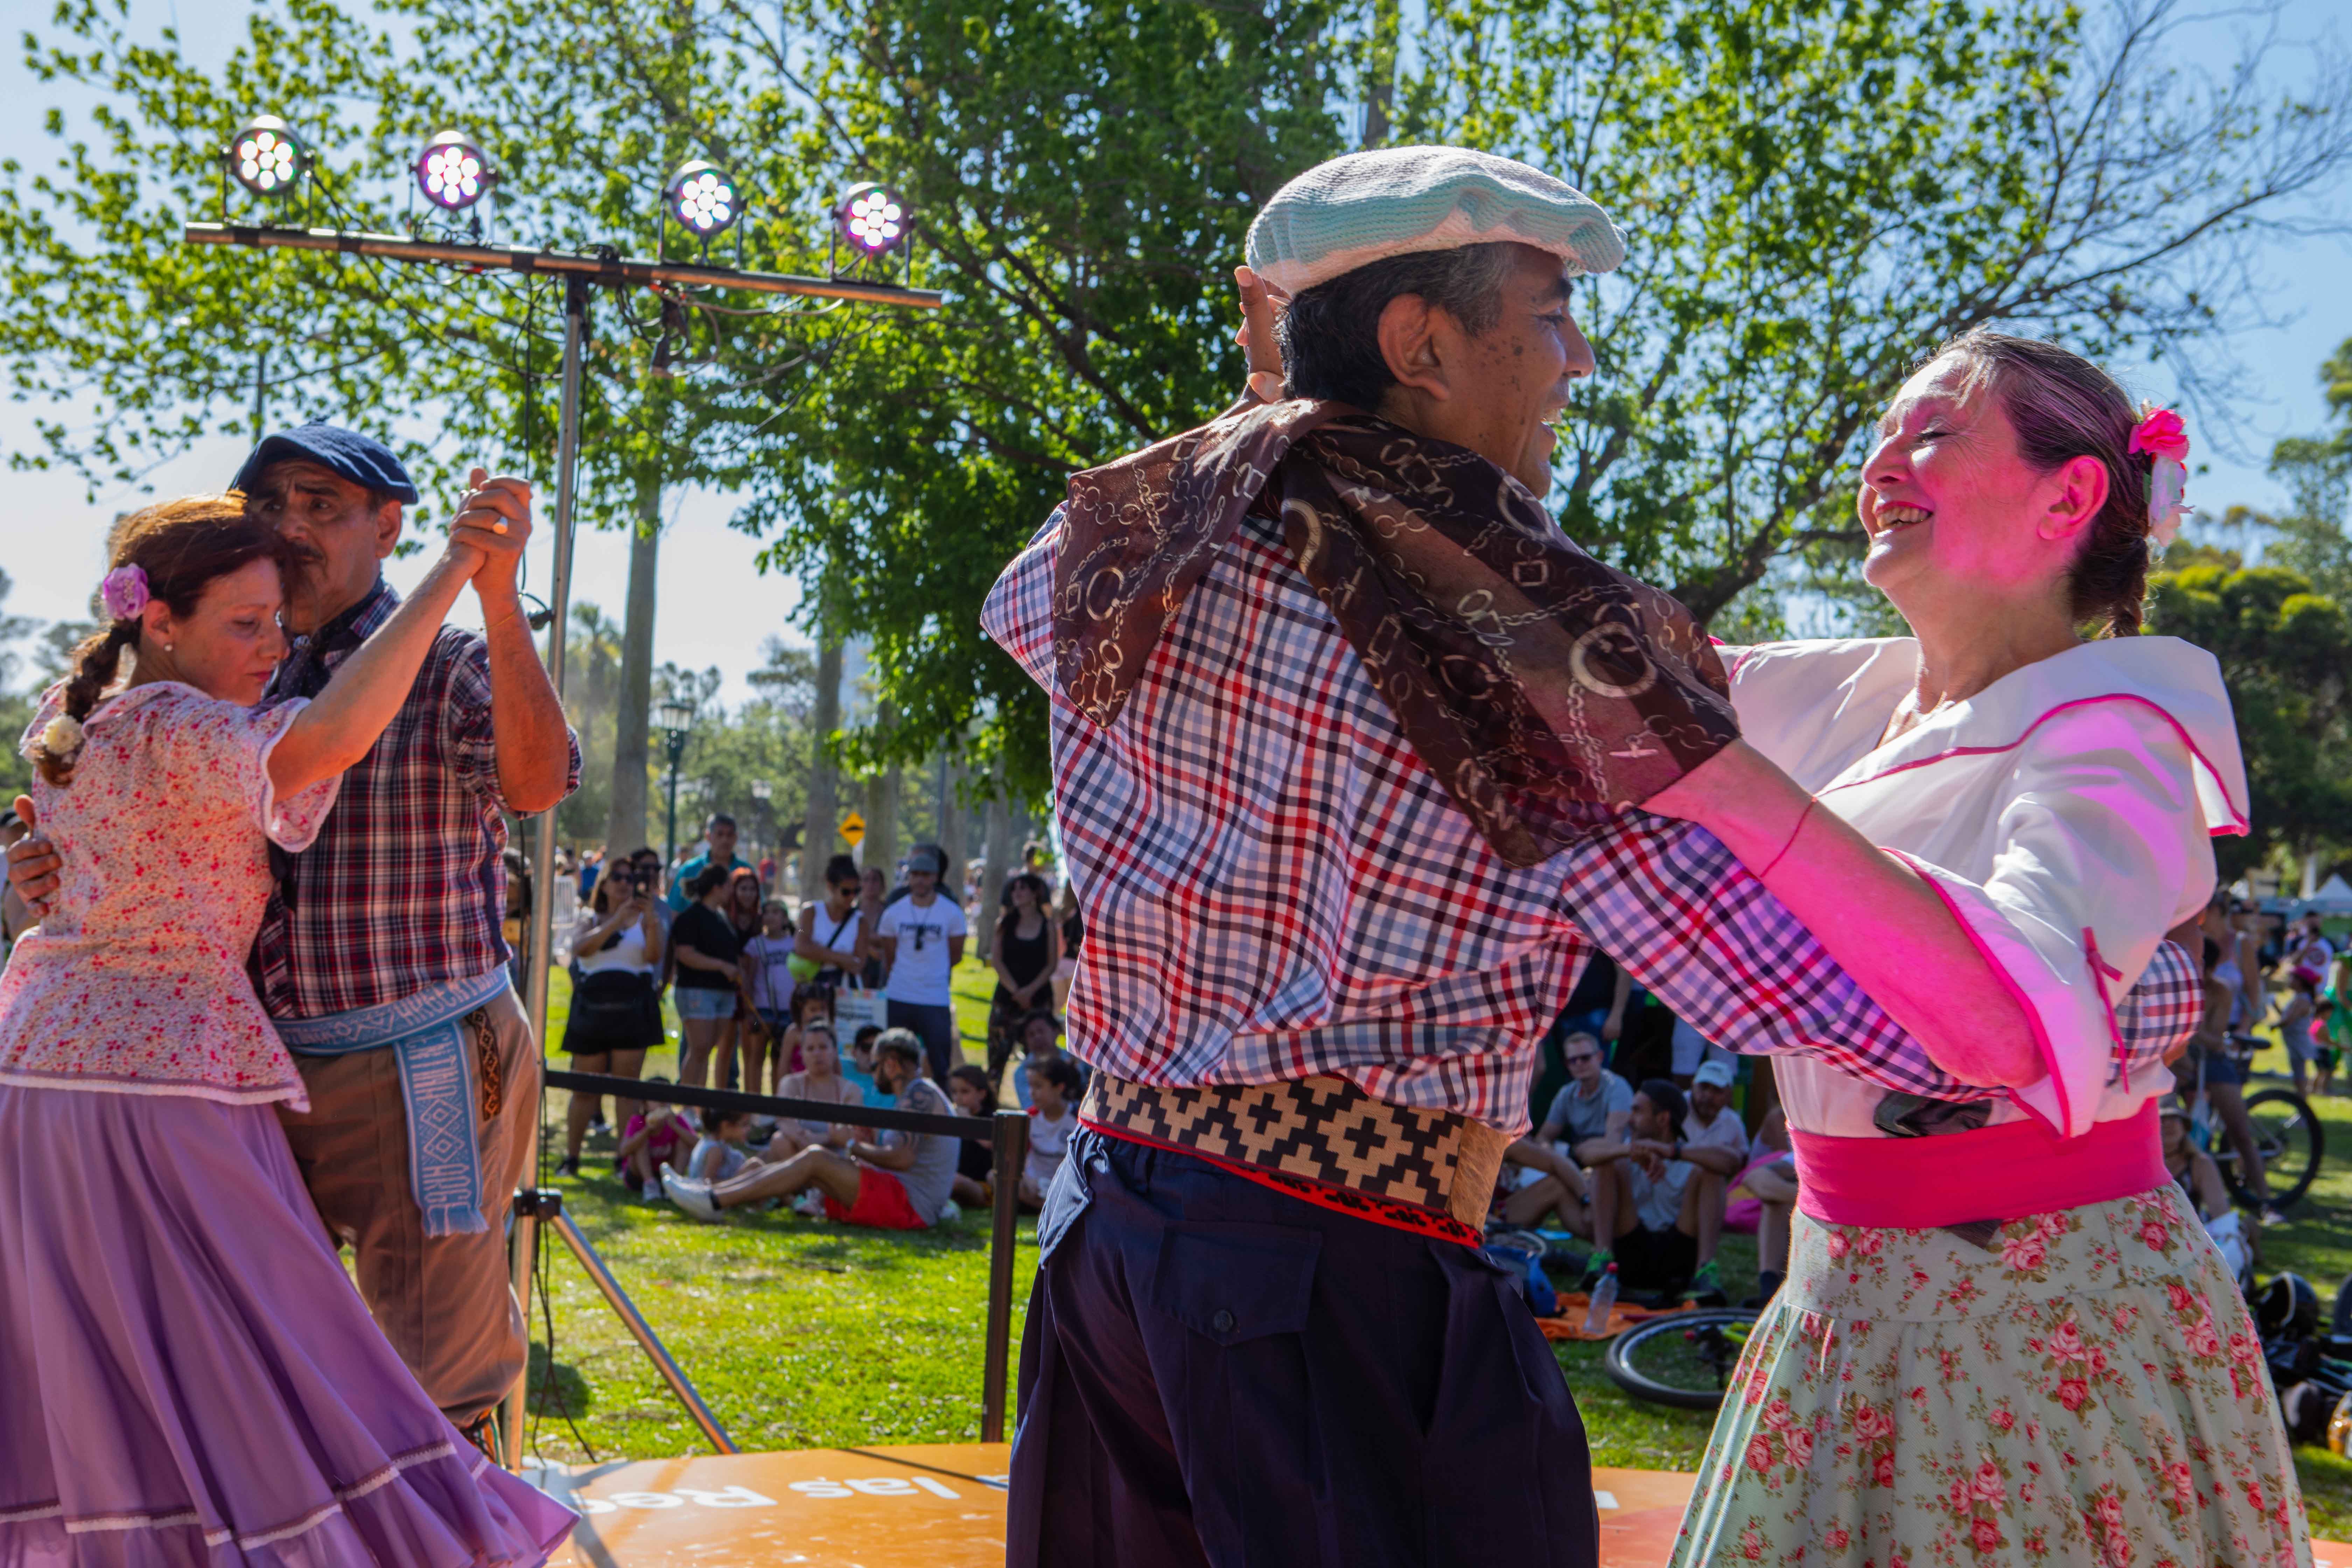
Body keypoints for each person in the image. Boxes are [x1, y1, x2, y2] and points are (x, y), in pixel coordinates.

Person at [983, 147, 2209, 1567]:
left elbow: (1031, 617)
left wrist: (1286, 404)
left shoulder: (1130, 523)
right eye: (1550, 313)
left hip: (1114, 1228)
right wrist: (2148, 1002)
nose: (1575, 360)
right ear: (1422, 344)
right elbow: (1810, 999)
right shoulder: (1540, 645)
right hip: (1332, 1287)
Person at [1659, 333, 2302, 1564]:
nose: (1882, 461)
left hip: (2051, 1326)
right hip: (1845, 1299)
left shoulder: (2114, 733)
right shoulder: (1842, 694)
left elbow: (2015, 1018)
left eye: (1933, 431)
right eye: (1886, 434)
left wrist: (1739, 794)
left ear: (2071, 496)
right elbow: (1592, 682)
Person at [0, 495, 573, 1558]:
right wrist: (455, 573)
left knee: (112, 1363)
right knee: (269, 1346)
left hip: (46, 1078)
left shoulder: (74, 718)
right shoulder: (178, 724)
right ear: (159, 618)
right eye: (246, 624)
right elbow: (331, 736)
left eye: (279, 623)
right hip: (161, 1087)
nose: (276, 648)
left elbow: (57, 869)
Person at [663, 1029, 959, 1228]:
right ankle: (709, 1193)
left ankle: (713, 1200)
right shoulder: (920, 1094)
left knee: (817, 1157)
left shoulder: (919, 1095)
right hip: (902, 1199)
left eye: (876, 1065)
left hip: (910, 1206)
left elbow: (902, 1158)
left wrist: (851, 1147)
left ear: (892, 1065)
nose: (873, 1072)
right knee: (813, 1164)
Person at [1582, 1070, 1745, 1301]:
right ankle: (1601, 1260)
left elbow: (1732, 1161)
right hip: (1628, 1255)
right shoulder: (1627, 1150)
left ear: (1662, 1119)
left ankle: (1705, 1271)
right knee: (1606, 1162)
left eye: (1638, 1110)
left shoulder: (1690, 1155)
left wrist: (1670, 1152)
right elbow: (1584, 1153)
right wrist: (1629, 1151)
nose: (1630, 1118)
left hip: (1679, 1259)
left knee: (1710, 1172)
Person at [558, 859, 665, 1176]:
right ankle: (572, 1158)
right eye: (616, 877)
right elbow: (581, 949)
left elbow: (653, 957)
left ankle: (624, 1159)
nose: (623, 883)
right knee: (585, 1090)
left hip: (632, 1008)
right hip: (592, 1009)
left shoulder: (647, 921)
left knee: (626, 1090)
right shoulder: (589, 917)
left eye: (629, 878)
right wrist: (616, 921)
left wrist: (650, 922)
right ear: (603, 883)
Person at [1498, 1030, 1631, 1235]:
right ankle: (1602, 1241)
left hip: (1609, 1163)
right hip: (1484, 1214)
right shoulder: (1567, 1093)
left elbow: (1612, 1143)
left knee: (1571, 1174)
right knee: (1555, 1175)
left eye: (1585, 1058)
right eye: (1572, 1061)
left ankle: (1602, 1239)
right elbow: (1544, 1139)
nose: (1579, 1064)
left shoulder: (1617, 1088)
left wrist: (1570, 1156)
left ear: (1600, 1057)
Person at [873, 844, 967, 1082]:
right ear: (909, 877)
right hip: (899, 994)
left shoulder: (952, 913)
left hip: (935, 997)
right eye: (915, 875)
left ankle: (939, 1112)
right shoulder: (895, 912)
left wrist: (932, 972)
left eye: (926, 875)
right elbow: (889, 955)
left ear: (935, 878)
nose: (920, 881)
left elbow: (955, 956)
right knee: (894, 1061)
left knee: (939, 1064)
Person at [670, 863, 744, 1087]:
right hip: (696, 991)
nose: (732, 892)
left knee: (707, 1050)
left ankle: (701, 1107)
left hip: (724, 992)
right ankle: (689, 1106)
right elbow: (684, 954)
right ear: (717, 888)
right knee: (699, 1048)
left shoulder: (722, 917)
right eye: (729, 886)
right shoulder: (691, 917)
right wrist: (721, 966)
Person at [987, 871, 1061, 1093]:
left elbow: (1051, 964)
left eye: (1023, 888)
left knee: (1041, 1059)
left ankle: (1041, 1106)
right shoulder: (1005, 924)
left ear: (1035, 893)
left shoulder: (1047, 926)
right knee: (997, 1056)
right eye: (1014, 889)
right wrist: (1017, 991)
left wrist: (1030, 991)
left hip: (1038, 999)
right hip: (1007, 998)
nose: (1017, 893)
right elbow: (997, 961)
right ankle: (988, 1108)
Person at [767, 1022, 867, 1157]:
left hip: (836, 1159)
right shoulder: (790, 1083)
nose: (817, 1054)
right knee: (780, 1141)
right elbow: (783, 1121)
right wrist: (801, 1138)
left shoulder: (851, 1090)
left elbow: (851, 1135)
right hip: (798, 1153)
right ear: (802, 1053)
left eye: (823, 1047)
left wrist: (818, 1141)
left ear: (835, 1050)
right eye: (810, 1048)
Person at [741, 898, 800, 1092]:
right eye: (767, 912)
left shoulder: (794, 943)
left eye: (777, 913)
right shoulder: (755, 945)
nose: (771, 917)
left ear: (785, 918)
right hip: (761, 1010)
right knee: (756, 1055)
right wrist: (748, 1010)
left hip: (787, 1010)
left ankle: (778, 1104)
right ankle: (753, 1103)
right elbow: (747, 978)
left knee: (781, 1058)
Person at [794, 853, 867, 989]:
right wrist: (844, 958)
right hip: (812, 989)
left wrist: (817, 953)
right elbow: (801, 946)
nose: (852, 897)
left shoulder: (861, 922)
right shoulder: (809, 913)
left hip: (844, 993)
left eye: (856, 891)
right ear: (831, 887)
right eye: (846, 892)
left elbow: (858, 965)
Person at [1019, 1054, 1081, 1209]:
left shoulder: (1078, 1119)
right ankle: (1051, 1209)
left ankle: (1050, 1207)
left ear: (1059, 1088)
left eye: (1039, 1087)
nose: (1032, 1093)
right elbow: (1016, 1158)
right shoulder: (1029, 1118)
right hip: (1033, 1185)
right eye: (1030, 1086)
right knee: (994, 1178)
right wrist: (1027, 1179)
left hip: (1064, 1185)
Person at [617, 1082, 692, 1200]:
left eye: (666, 1099)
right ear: (645, 1105)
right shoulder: (638, 1121)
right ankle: (650, 1184)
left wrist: (675, 1127)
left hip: (667, 1175)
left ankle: (676, 1183)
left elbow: (698, 1146)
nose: (662, 1103)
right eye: (657, 1099)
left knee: (683, 1142)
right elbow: (624, 1151)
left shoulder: (677, 1121)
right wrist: (647, 1130)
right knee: (640, 1142)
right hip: (638, 1177)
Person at [665, 812, 751, 914]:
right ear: (708, 836)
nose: (725, 840)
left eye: (730, 835)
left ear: (736, 838)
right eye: (720, 834)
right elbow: (674, 911)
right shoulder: (689, 870)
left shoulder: (746, 871)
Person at [947, 1063, 999, 1206]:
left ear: (982, 1094)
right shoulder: (953, 1116)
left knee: (955, 1181)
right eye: (954, 1092)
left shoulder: (991, 1118)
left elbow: (992, 1144)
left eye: (965, 1092)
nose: (958, 1098)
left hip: (982, 1186)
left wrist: (967, 1122)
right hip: (957, 1176)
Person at [2277, 965, 2321, 1097]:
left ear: (2300, 982)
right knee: (2298, 1074)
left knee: (2299, 1077)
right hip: (2295, 1041)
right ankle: (2302, 1105)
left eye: (2292, 978)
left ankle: (2303, 1106)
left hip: (2298, 1042)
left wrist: (2273, 1025)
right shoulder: (2300, 998)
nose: (2289, 980)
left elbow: (2288, 1021)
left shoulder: (2302, 1000)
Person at [685, 1107, 754, 1184]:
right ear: (726, 1126)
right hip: (716, 1194)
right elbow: (708, 1183)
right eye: (745, 1124)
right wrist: (739, 1179)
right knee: (754, 1165)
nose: (749, 1129)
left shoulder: (713, 1142)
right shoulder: (715, 1151)